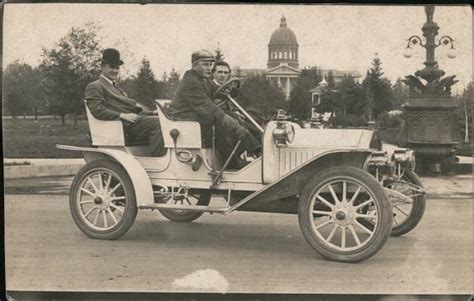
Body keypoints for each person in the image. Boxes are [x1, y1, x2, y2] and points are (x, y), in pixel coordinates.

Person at [167, 49, 261, 169]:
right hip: (184, 119)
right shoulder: (191, 81)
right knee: (220, 121)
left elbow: (218, 91)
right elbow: (207, 107)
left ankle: (257, 149)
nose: (209, 68)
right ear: (194, 65)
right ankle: (233, 161)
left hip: (194, 117)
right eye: (205, 64)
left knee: (235, 116)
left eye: (210, 64)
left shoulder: (203, 79)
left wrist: (233, 89)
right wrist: (235, 126)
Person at [85, 48, 166, 156]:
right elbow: (97, 110)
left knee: (164, 120)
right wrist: (121, 115)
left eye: (117, 68)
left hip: (132, 123)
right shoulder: (95, 86)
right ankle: (159, 160)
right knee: (159, 124)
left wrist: (151, 113)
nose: (115, 71)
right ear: (102, 66)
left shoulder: (117, 88)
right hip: (122, 126)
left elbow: (130, 111)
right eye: (112, 67)